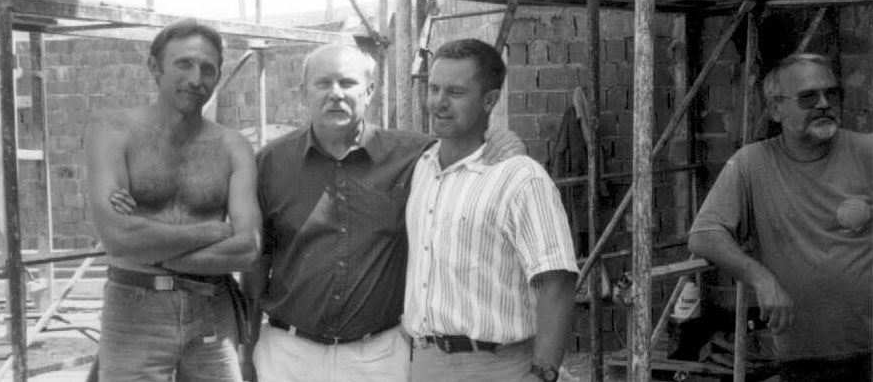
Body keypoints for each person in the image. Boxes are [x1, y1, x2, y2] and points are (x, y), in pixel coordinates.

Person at [245, 43, 524, 382]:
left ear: (370, 91)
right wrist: (248, 344)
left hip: (379, 357)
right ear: (304, 92)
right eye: (323, 83)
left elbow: (467, 141)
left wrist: (499, 137)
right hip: (288, 355)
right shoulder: (271, 163)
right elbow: (257, 263)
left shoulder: (416, 156)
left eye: (348, 83)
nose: (335, 94)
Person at [87, 19, 261, 381]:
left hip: (211, 306)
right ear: (155, 67)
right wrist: (213, 231)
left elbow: (247, 249)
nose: (196, 79)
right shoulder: (114, 131)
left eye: (207, 69)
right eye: (184, 64)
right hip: (134, 310)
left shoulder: (232, 146)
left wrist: (146, 247)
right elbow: (117, 238)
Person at [403, 38, 578, 382]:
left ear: (490, 100)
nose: (439, 102)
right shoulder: (421, 167)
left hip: (500, 366)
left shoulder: (520, 177)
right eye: (434, 88)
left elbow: (557, 281)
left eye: (455, 92)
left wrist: (543, 373)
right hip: (425, 363)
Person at [689, 53, 872, 382]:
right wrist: (761, 279)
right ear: (775, 109)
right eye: (808, 97)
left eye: (831, 94)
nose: (823, 104)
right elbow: (704, 235)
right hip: (803, 355)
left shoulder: (866, 152)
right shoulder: (752, 164)